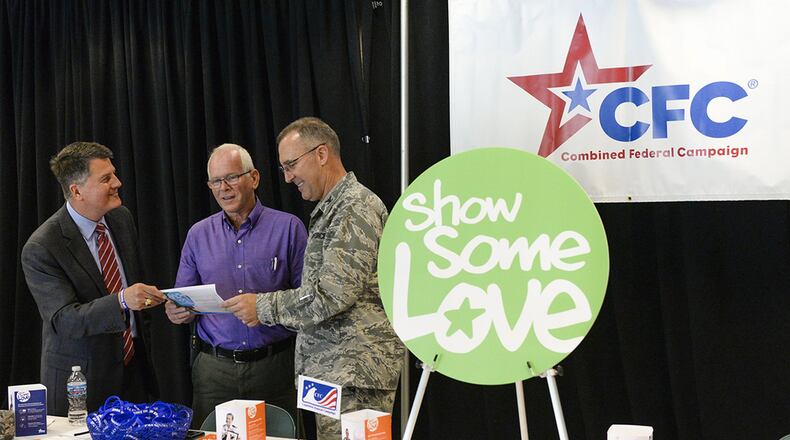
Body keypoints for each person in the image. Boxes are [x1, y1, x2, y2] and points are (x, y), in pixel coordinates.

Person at [224, 117, 405, 439]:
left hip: (354, 374)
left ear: (321, 154)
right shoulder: (333, 207)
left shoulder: (354, 207)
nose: (289, 177)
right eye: (284, 168)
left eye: (292, 164)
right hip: (334, 373)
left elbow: (332, 294)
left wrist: (262, 307)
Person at [164, 143, 307, 427]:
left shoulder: (289, 228)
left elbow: (308, 299)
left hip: (275, 366)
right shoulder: (198, 235)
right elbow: (182, 297)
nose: (223, 188)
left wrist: (266, 308)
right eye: (216, 181)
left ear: (253, 178)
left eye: (231, 177)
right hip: (214, 371)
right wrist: (176, 310)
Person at [21, 141, 165, 415]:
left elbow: (136, 287)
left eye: (114, 174)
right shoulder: (42, 246)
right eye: (106, 178)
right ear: (77, 191)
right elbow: (64, 319)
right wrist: (122, 300)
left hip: (134, 372)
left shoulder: (121, 219)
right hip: (82, 384)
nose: (118, 183)